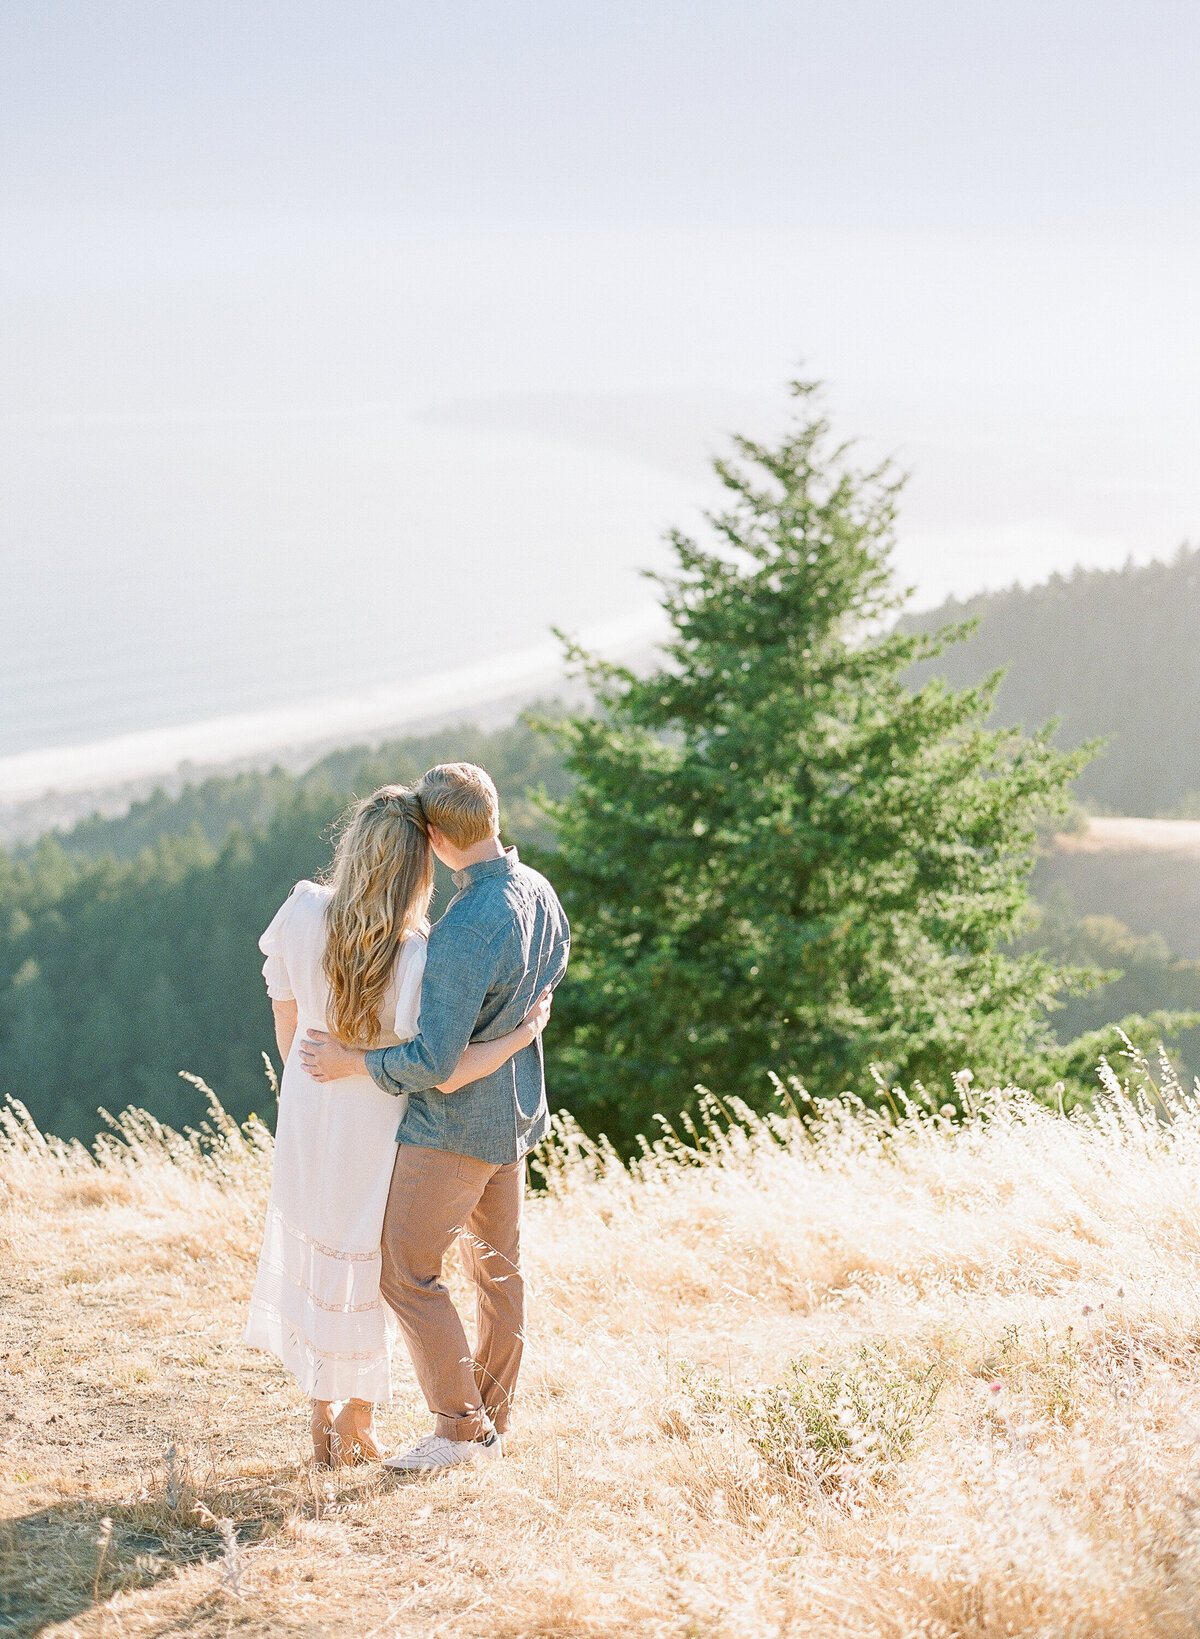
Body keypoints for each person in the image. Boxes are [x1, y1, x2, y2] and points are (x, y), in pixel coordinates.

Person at [243, 784, 552, 1467]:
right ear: (421, 864)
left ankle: (326, 1415)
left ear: (352, 847)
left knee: (325, 1246)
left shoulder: (299, 908)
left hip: (308, 1100)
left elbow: (285, 1011)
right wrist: (522, 1034)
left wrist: (304, 1076)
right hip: (378, 1115)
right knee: (374, 1261)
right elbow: (435, 1062)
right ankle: (368, 1418)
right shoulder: (418, 952)